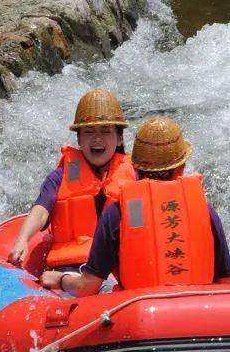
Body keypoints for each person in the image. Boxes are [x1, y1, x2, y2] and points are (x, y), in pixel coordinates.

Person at [41, 116, 230, 296]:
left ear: (135, 168)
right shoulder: (205, 210)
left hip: (137, 312)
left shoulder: (117, 213)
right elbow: (225, 282)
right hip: (199, 309)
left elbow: (87, 287)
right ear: (181, 168)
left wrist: (62, 279)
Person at [8, 88, 137, 270]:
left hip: (118, 266)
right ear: (79, 139)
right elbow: (41, 210)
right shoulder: (60, 177)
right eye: (89, 132)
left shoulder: (136, 175)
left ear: (119, 139)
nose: (97, 138)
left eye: (106, 131)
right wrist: (22, 239)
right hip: (73, 267)